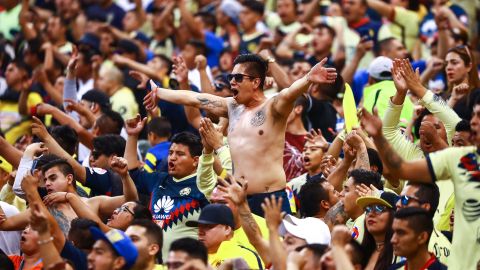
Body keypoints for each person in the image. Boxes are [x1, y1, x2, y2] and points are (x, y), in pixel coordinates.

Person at [145, 53, 337, 215]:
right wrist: (158, 91)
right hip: (238, 198)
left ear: (255, 82)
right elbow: (195, 99)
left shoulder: (273, 107)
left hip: (271, 199)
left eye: (238, 78)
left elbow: (289, 93)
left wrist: (308, 79)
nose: (232, 82)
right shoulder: (232, 107)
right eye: (231, 77)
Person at [359, 95, 480, 269]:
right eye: (474, 115)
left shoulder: (462, 162)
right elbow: (401, 169)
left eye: (479, 116)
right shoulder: (457, 158)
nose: (473, 122)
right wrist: (377, 136)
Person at [185, 203, 263, 269]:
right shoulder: (191, 257)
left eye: (208, 226)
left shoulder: (243, 255)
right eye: (199, 227)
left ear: (227, 229)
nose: (200, 232)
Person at [356, 191, 400, 270]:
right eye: (368, 209)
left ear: (394, 215)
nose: (370, 214)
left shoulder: (402, 254)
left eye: (379, 208)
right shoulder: (359, 254)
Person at [342, 169, 384, 243]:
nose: (341, 193)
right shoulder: (352, 220)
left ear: (362, 192)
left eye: (347, 190)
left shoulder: (371, 222)